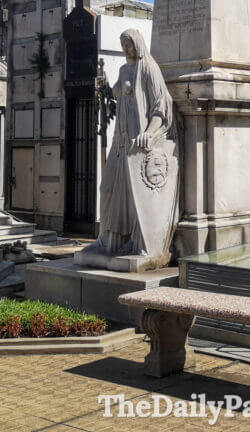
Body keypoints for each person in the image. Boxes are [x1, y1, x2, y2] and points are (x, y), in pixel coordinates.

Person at [75, 29, 179, 270]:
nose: (126, 49)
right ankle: (109, 240)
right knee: (108, 187)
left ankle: (138, 242)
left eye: (129, 44)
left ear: (138, 45)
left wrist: (150, 133)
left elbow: (160, 107)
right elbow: (114, 93)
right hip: (120, 142)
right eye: (123, 45)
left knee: (134, 195)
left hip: (137, 142)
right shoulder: (124, 70)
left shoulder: (149, 69)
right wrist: (103, 88)